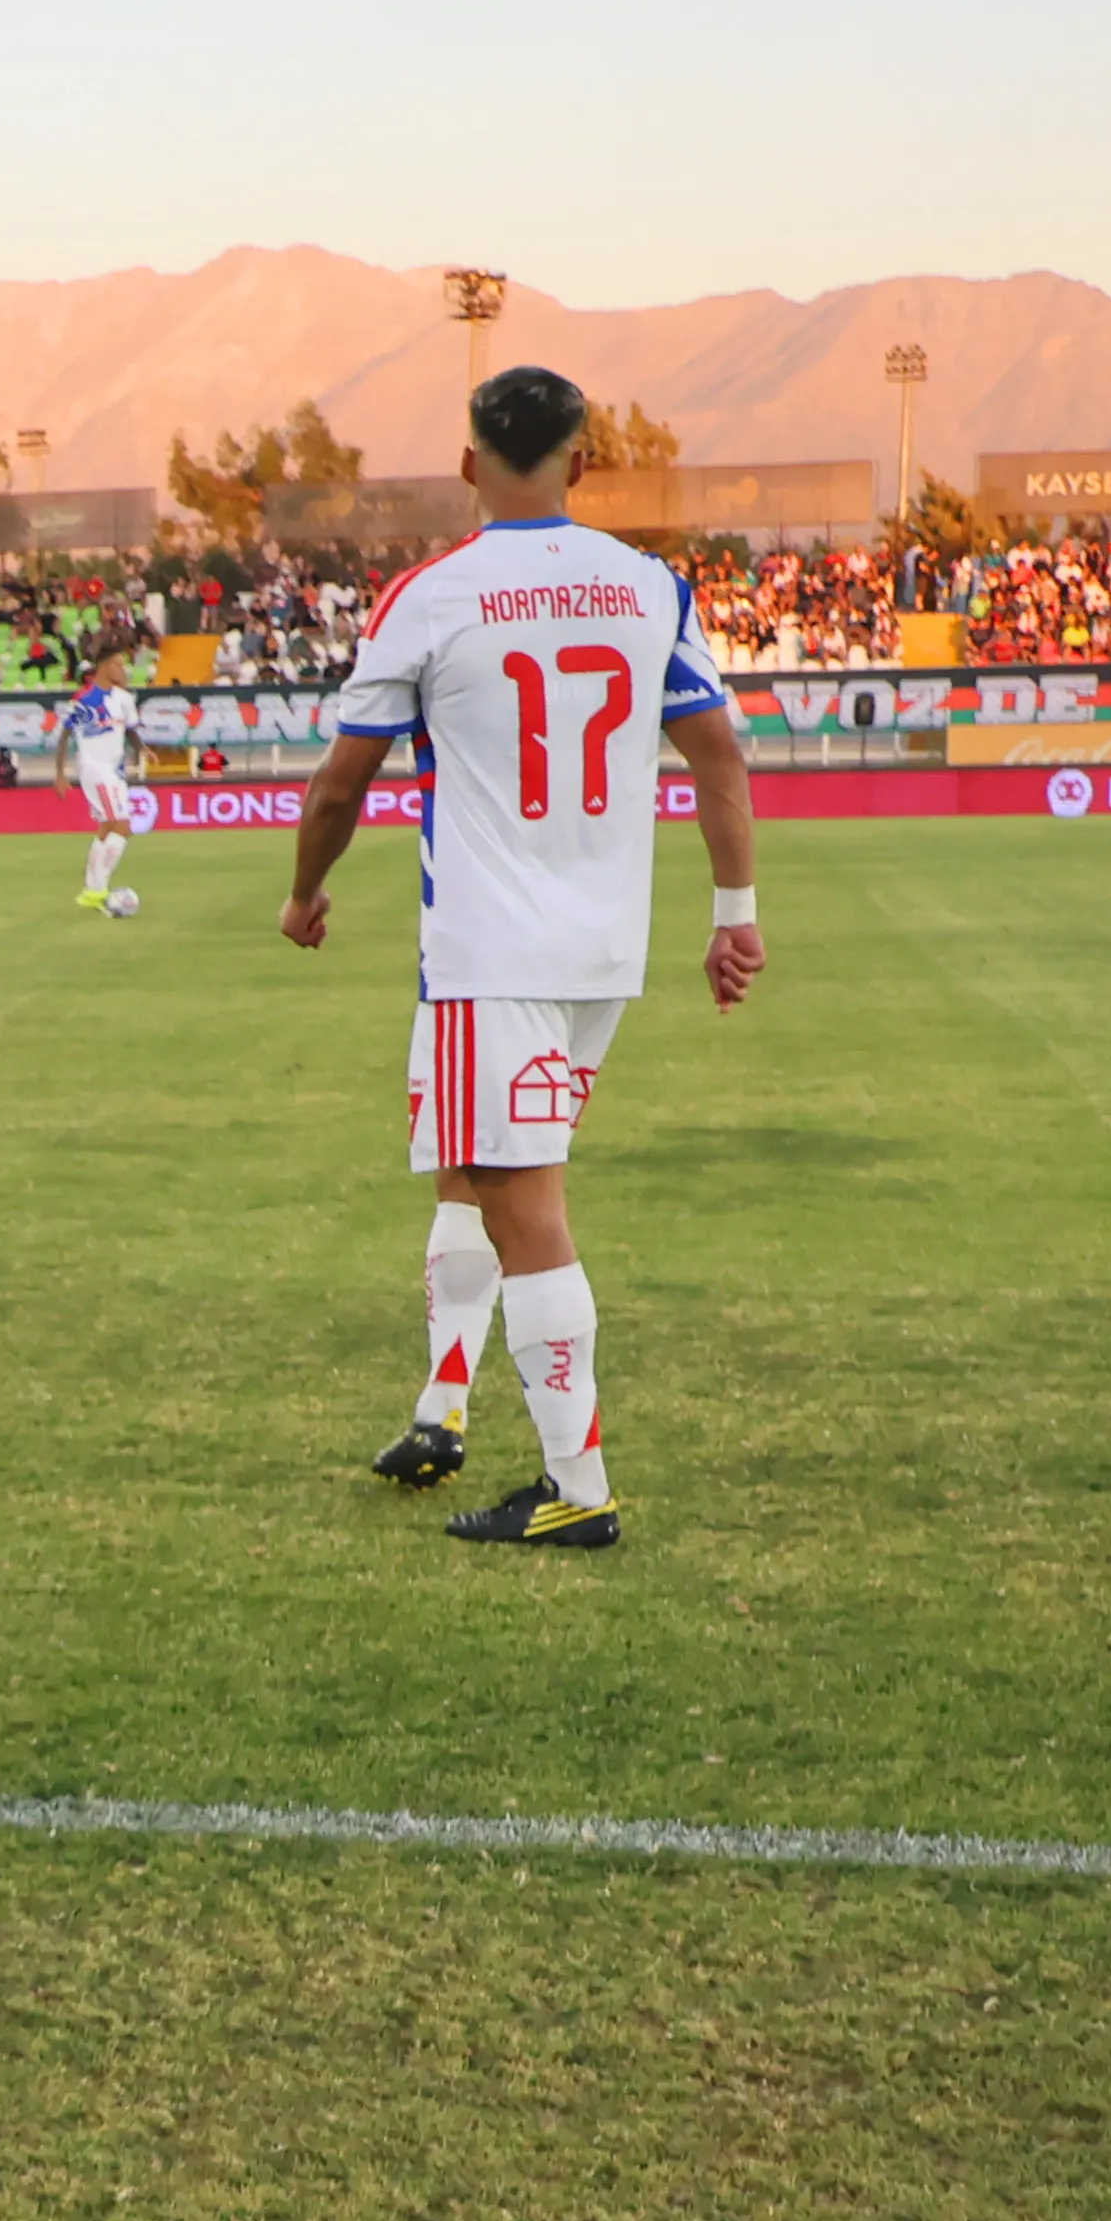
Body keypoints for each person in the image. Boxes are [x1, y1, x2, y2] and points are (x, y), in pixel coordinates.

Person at [282, 366, 763, 1544]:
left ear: (465, 462)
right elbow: (717, 754)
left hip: (486, 949)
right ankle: (441, 1408)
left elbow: (342, 778)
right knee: (470, 1161)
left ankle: (575, 1488)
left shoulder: (432, 594)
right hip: (600, 947)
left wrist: (304, 891)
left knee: (517, 1197)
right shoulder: (648, 585)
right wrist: (733, 911)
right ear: (581, 462)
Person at [62, 643, 148, 911]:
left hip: (115, 772)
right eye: (119, 664)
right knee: (122, 828)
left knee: (107, 830)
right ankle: (97, 890)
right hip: (96, 770)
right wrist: (59, 772)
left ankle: (92, 890)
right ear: (105, 667)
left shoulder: (124, 699)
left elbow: (131, 730)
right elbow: (64, 733)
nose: (124, 670)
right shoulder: (84, 700)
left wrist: (142, 748)